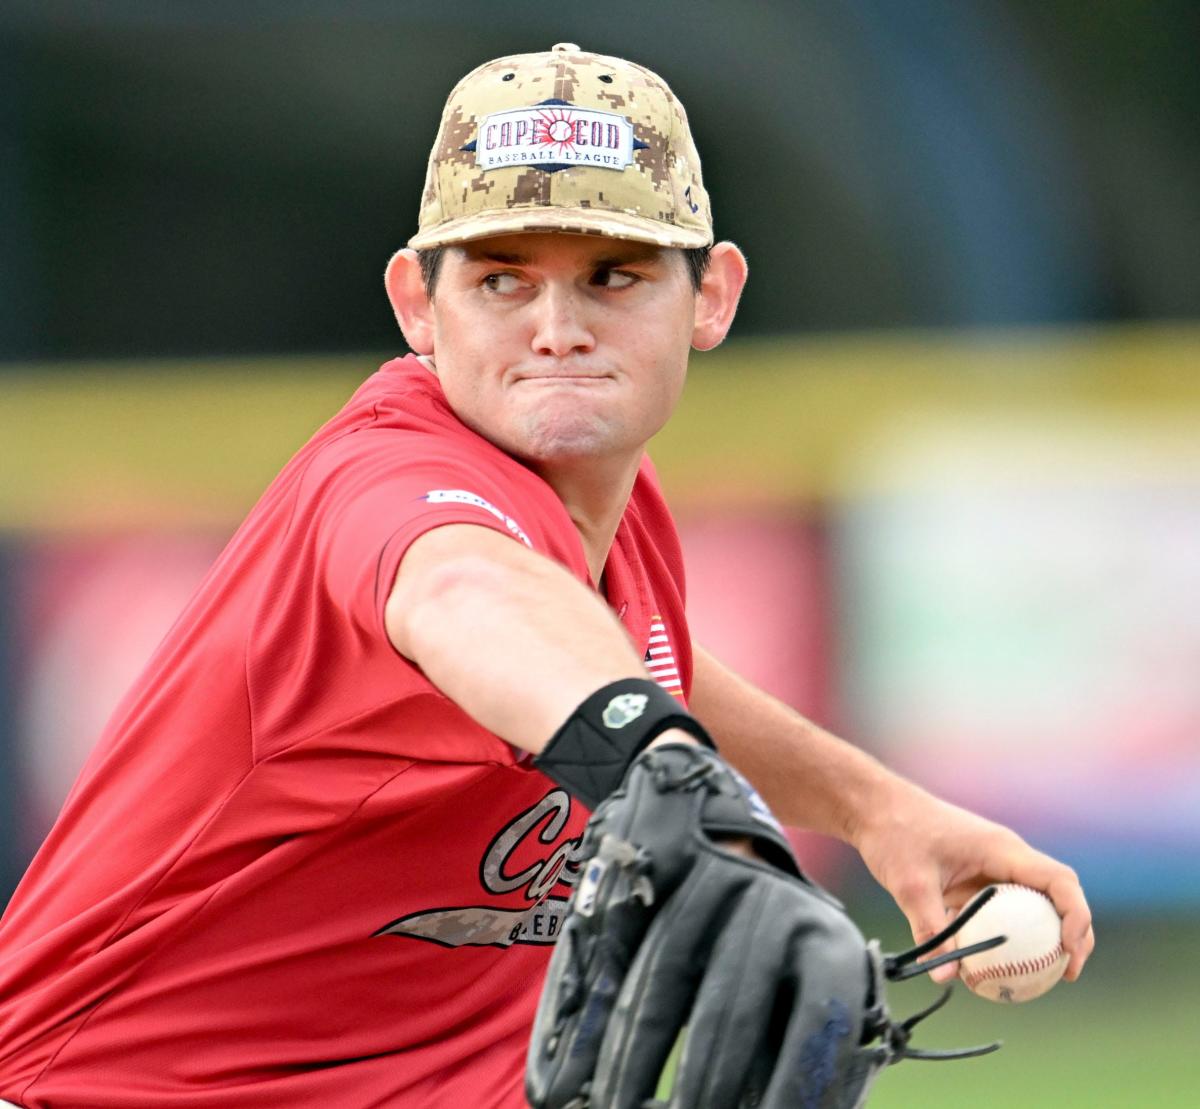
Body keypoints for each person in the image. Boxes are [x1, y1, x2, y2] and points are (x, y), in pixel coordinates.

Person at [0, 43, 1092, 1109]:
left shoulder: (607, 513)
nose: (556, 329)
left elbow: (633, 661)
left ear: (711, 295)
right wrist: (670, 769)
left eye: (613, 275)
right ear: (418, 305)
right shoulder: (391, 482)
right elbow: (469, 596)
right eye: (500, 279)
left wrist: (877, 809)